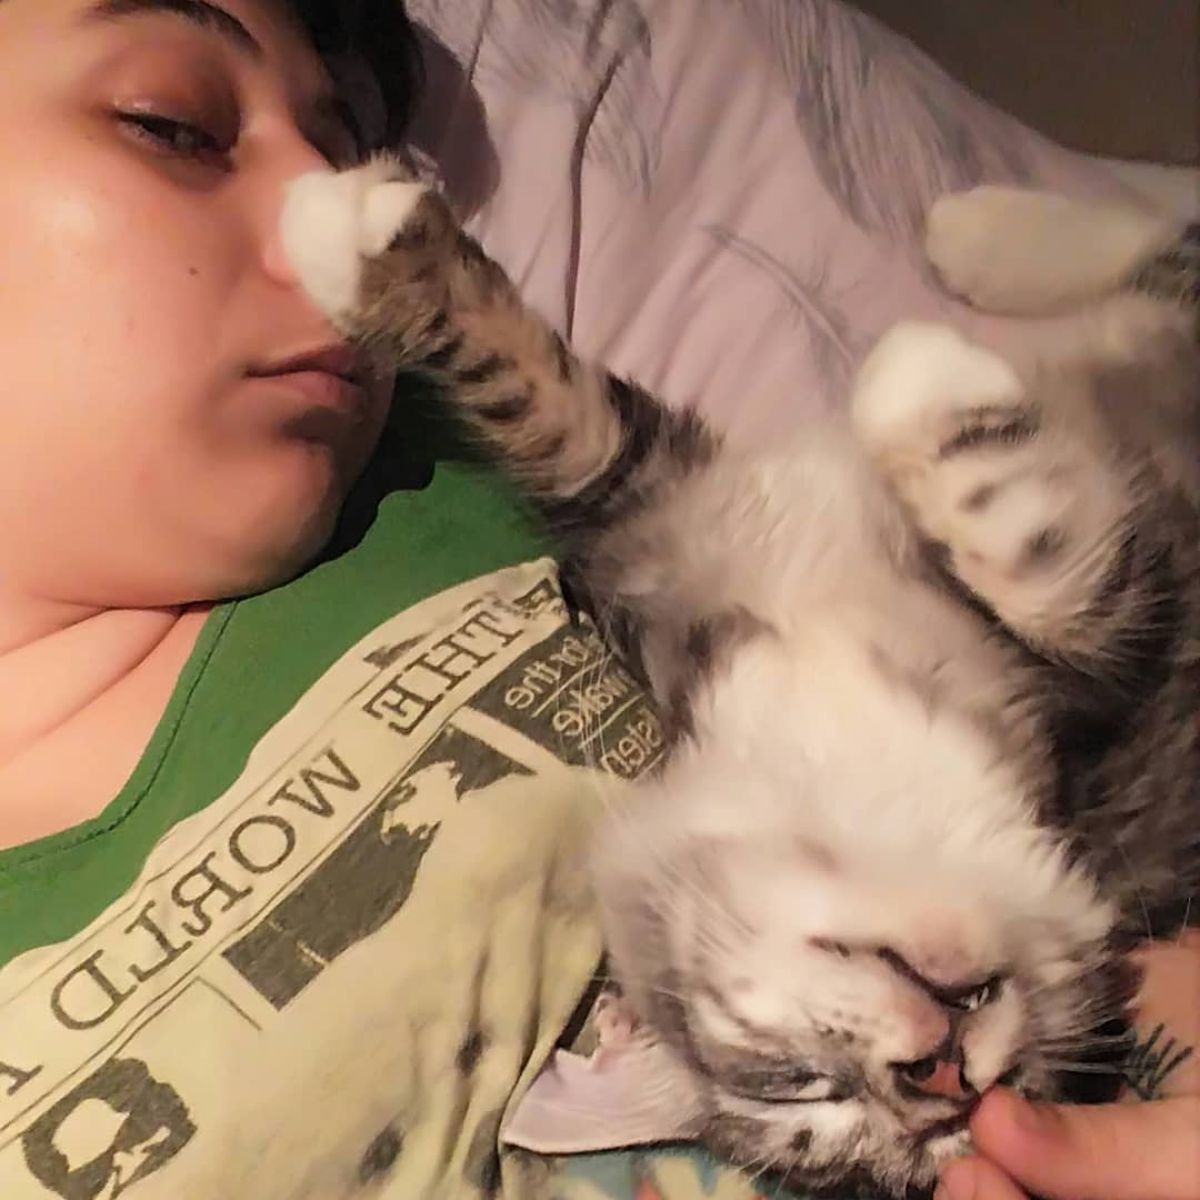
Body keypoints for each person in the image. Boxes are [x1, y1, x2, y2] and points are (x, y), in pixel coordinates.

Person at [0, 1, 1194, 1197]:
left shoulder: (413, 461)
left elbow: (628, 480)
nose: (313, 187)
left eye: (355, 141)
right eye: (171, 124)